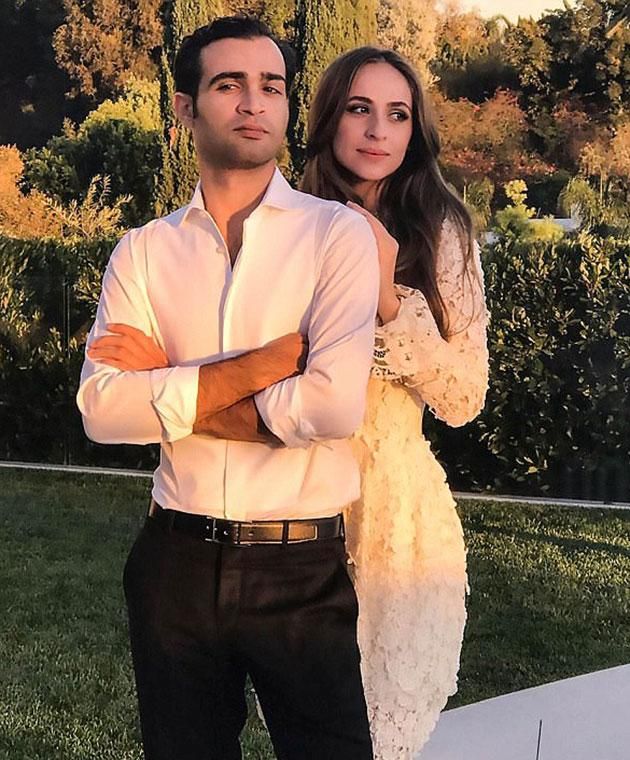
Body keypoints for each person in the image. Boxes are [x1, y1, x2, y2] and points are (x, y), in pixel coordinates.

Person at [77, 17, 379, 760]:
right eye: (229, 84)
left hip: (300, 567)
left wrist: (167, 388)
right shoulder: (143, 252)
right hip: (174, 563)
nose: (254, 102)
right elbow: (102, 411)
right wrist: (256, 369)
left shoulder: (335, 236)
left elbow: (334, 406)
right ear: (185, 108)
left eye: (271, 86)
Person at [301, 47, 489, 758]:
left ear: (416, 129)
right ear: (329, 118)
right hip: (294, 507)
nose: (379, 130)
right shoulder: (287, 221)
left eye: (398, 114)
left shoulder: (443, 230)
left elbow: (464, 396)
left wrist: (385, 296)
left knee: (382, 737)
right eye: (359, 109)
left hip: (397, 523)